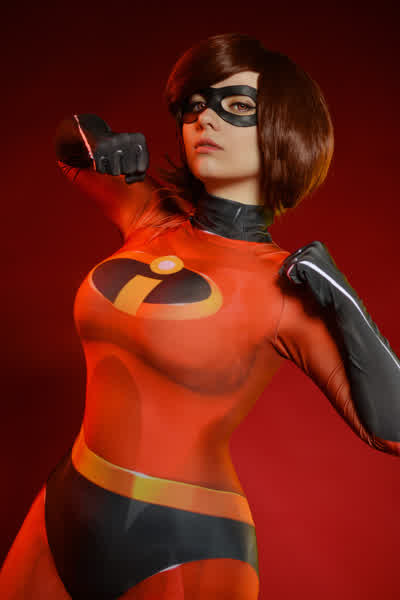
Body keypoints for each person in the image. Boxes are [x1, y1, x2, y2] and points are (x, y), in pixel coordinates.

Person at [1, 32, 399, 600]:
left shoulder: (287, 287)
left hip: (186, 540)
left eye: (235, 106)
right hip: (66, 502)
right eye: (194, 106)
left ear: (283, 127)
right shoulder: (150, 216)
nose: (204, 119)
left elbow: (393, 431)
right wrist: (94, 138)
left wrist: (347, 306)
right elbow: (71, 148)